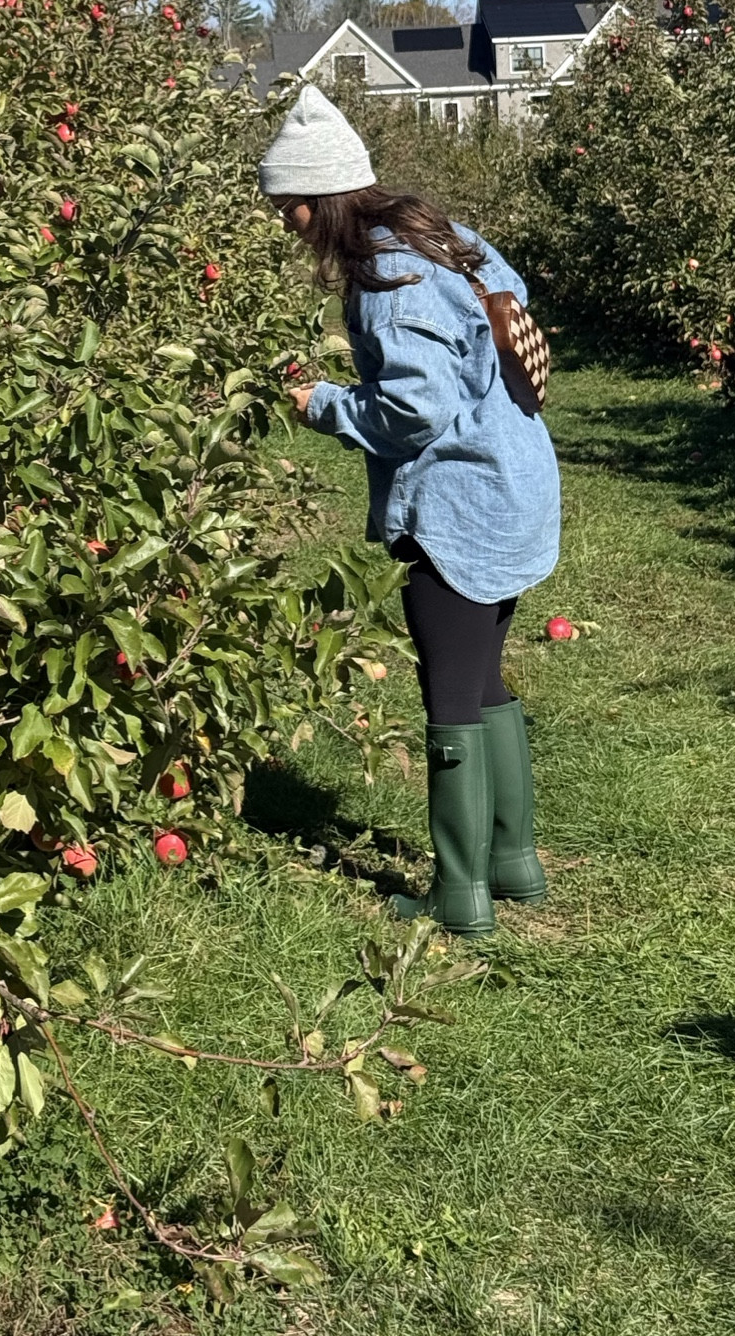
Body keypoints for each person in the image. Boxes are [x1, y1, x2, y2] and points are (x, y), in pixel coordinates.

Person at [258, 85, 560, 936]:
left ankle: (459, 894)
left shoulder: (388, 275)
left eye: (290, 210)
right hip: (516, 484)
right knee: (483, 673)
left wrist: (319, 401)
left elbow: (411, 413)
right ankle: (513, 862)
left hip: (459, 504)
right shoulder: (449, 239)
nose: (288, 226)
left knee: (449, 695)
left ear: (319, 201)